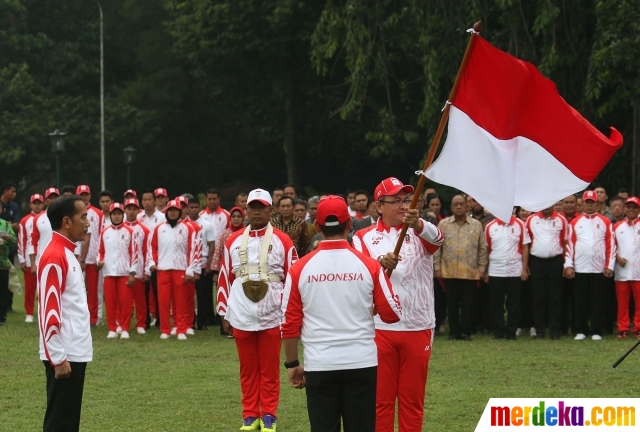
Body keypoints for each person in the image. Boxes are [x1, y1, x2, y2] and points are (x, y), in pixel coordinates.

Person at [281, 195, 402, 432]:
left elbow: (289, 322)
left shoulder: (299, 269)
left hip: (320, 363)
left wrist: (292, 363)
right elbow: (392, 314)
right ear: (349, 225)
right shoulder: (370, 266)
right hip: (361, 362)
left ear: (316, 227)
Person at [352, 177, 443, 432]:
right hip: (380, 327)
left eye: (406, 200)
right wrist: (379, 263)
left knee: (412, 401)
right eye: (396, 201)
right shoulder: (362, 237)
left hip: (418, 325)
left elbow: (438, 240)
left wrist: (420, 224)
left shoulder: (421, 230)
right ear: (379, 206)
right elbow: (359, 273)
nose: (403, 206)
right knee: (380, 401)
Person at [217, 189, 297, 432]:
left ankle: (269, 414)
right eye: (252, 207)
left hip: (272, 314)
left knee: (270, 369)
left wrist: (290, 313)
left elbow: (293, 277)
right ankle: (250, 415)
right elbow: (224, 277)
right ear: (246, 210)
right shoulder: (232, 241)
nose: (256, 211)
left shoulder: (283, 240)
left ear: (270, 210)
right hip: (241, 313)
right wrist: (224, 312)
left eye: (262, 207)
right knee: (248, 369)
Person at [38, 195, 92, 432]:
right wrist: (58, 358)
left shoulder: (67, 252)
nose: (88, 223)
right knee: (60, 423)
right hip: (64, 352)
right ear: (67, 221)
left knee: (68, 421)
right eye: (83, 217)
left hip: (73, 349)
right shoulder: (54, 255)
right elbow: (49, 310)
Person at [434, 194, 487, 341]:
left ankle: (465, 331)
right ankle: (453, 331)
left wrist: (482, 269)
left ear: (467, 206)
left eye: (461, 204)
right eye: (455, 204)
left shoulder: (476, 225)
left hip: (469, 271)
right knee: (451, 304)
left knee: (468, 304)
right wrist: (437, 267)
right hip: (449, 271)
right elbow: (437, 248)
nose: (458, 207)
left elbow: (482, 248)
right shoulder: (443, 225)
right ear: (451, 207)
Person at [564, 190, 615, 341]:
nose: (590, 205)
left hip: (598, 268)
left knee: (597, 301)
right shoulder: (575, 222)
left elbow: (610, 244)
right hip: (580, 267)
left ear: (597, 204)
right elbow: (570, 245)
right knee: (580, 301)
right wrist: (568, 265)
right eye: (587, 202)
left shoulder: (605, 221)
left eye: (592, 202)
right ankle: (581, 330)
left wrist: (609, 266)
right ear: (583, 203)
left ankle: (596, 330)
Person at [149, 200, 198, 340]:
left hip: (180, 269)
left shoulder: (188, 228)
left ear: (180, 212)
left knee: (180, 301)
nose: (172, 212)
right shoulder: (159, 229)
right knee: (163, 301)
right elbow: (152, 248)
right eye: (170, 210)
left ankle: (181, 329)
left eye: (175, 210)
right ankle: (165, 329)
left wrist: (190, 269)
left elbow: (193, 250)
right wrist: (153, 262)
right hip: (163, 269)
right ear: (166, 212)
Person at [525, 205, 569, 339]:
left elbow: (565, 242)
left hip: (555, 262)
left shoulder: (561, 219)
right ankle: (540, 330)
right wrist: (526, 265)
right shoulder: (531, 219)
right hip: (537, 262)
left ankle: (555, 330)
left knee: (555, 297)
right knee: (538, 297)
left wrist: (566, 264)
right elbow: (526, 243)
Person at [484, 215, 531, 339]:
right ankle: (498, 332)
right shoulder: (490, 226)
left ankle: (511, 332)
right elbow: (487, 249)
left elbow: (525, 247)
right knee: (496, 304)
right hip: (495, 270)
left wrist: (525, 268)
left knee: (514, 304)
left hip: (514, 271)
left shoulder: (520, 224)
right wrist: (486, 270)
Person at [96, 203, 137, 339]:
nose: (117, 216)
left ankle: (125, 328)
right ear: (111, 215)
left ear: (123, 214)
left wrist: (132, 272)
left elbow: (134, 253)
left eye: (119, 214)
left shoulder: (130, 232)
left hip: (124, 272)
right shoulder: (105, 232)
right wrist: (100, 261)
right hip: (108, 273)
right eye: (114, 214)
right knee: (110, 302)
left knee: (125, 303)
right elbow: (100, 251)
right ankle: (112, 328)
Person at [210, 206, 245, 335]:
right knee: (225, 298)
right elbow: (218, 253)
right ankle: (225, 327)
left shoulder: (247, 232)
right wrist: (216, 272)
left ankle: (240, 327)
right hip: (226, 272)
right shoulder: (225, 234)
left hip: (242, 272)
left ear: (243, 218)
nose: (236, 219)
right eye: (233, 217)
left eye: (239, 216)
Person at [187, 197, 216, 330]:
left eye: (195, 207)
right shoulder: (183, 225)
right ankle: (189, 322)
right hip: (188, 265)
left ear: (199, 208)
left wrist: (210, 264)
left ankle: (202, 322)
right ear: (187, 209)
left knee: (203, 295)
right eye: (191, 207)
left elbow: (211, 245)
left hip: (203, 262)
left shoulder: (207, 224)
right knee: (188, 295)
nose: (193, 210)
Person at [76, 185, 104, 327]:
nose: (84, 197)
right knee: (77, 289)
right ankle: (80, 318)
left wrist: (85, 258)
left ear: (90, 195)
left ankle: (94, 318)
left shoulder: (97, 213)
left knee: (93, 291)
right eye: (81, 194)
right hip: (77, 256)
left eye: (86, 194)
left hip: (91, 257)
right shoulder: (73, 212)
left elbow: (91, 237)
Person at [612, 197, 640, 339]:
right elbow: (611, 246)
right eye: (628, 207)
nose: (631, 210)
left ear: (638, 209)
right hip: (622, 271)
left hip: (638, 271)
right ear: (624, 209)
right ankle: (623, 329)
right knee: (622, 303)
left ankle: (638, 328)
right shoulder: (617, 227)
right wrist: (617, 257)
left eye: (634, 207)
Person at [124, 198, 151, 334]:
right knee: (123, 300)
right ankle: (123, 323)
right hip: (122, 270)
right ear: (125, 210)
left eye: (134, 209)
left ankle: (141, 324)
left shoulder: (144, 230)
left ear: (138, 210)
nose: (131, 211)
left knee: (140, 299)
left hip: (139, 270)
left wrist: (147, 271)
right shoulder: (120, 227)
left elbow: (147, 251)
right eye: (129, 209)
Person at [138, 189, 164, 328]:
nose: (147, 202)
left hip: (157, 258)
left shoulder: (162, 217)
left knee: (157, 291)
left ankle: (160, 319)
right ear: (141, 202)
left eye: (149, 199)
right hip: (142, 259)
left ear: (154, 201)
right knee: (143, 292)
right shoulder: (139, 217)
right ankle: (145, 321)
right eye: (145, 200)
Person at [18, 194, 44, 322]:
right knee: (30, 288)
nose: (37, 205)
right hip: (30, 259)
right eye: (35, 203)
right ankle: (29, 312)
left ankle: (42, 311)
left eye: (39, 203)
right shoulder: (25, 220)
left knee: (43, 286)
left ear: (43, 204)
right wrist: (22, 259)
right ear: (30, 205)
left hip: (44, 256)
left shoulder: (46, 218)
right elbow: (22, 240)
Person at [0, 213, 17, 325]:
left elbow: (15, 240)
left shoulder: (5, 224)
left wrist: (8, 238)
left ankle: (1, 317)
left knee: (2, 291)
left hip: (3, 263)